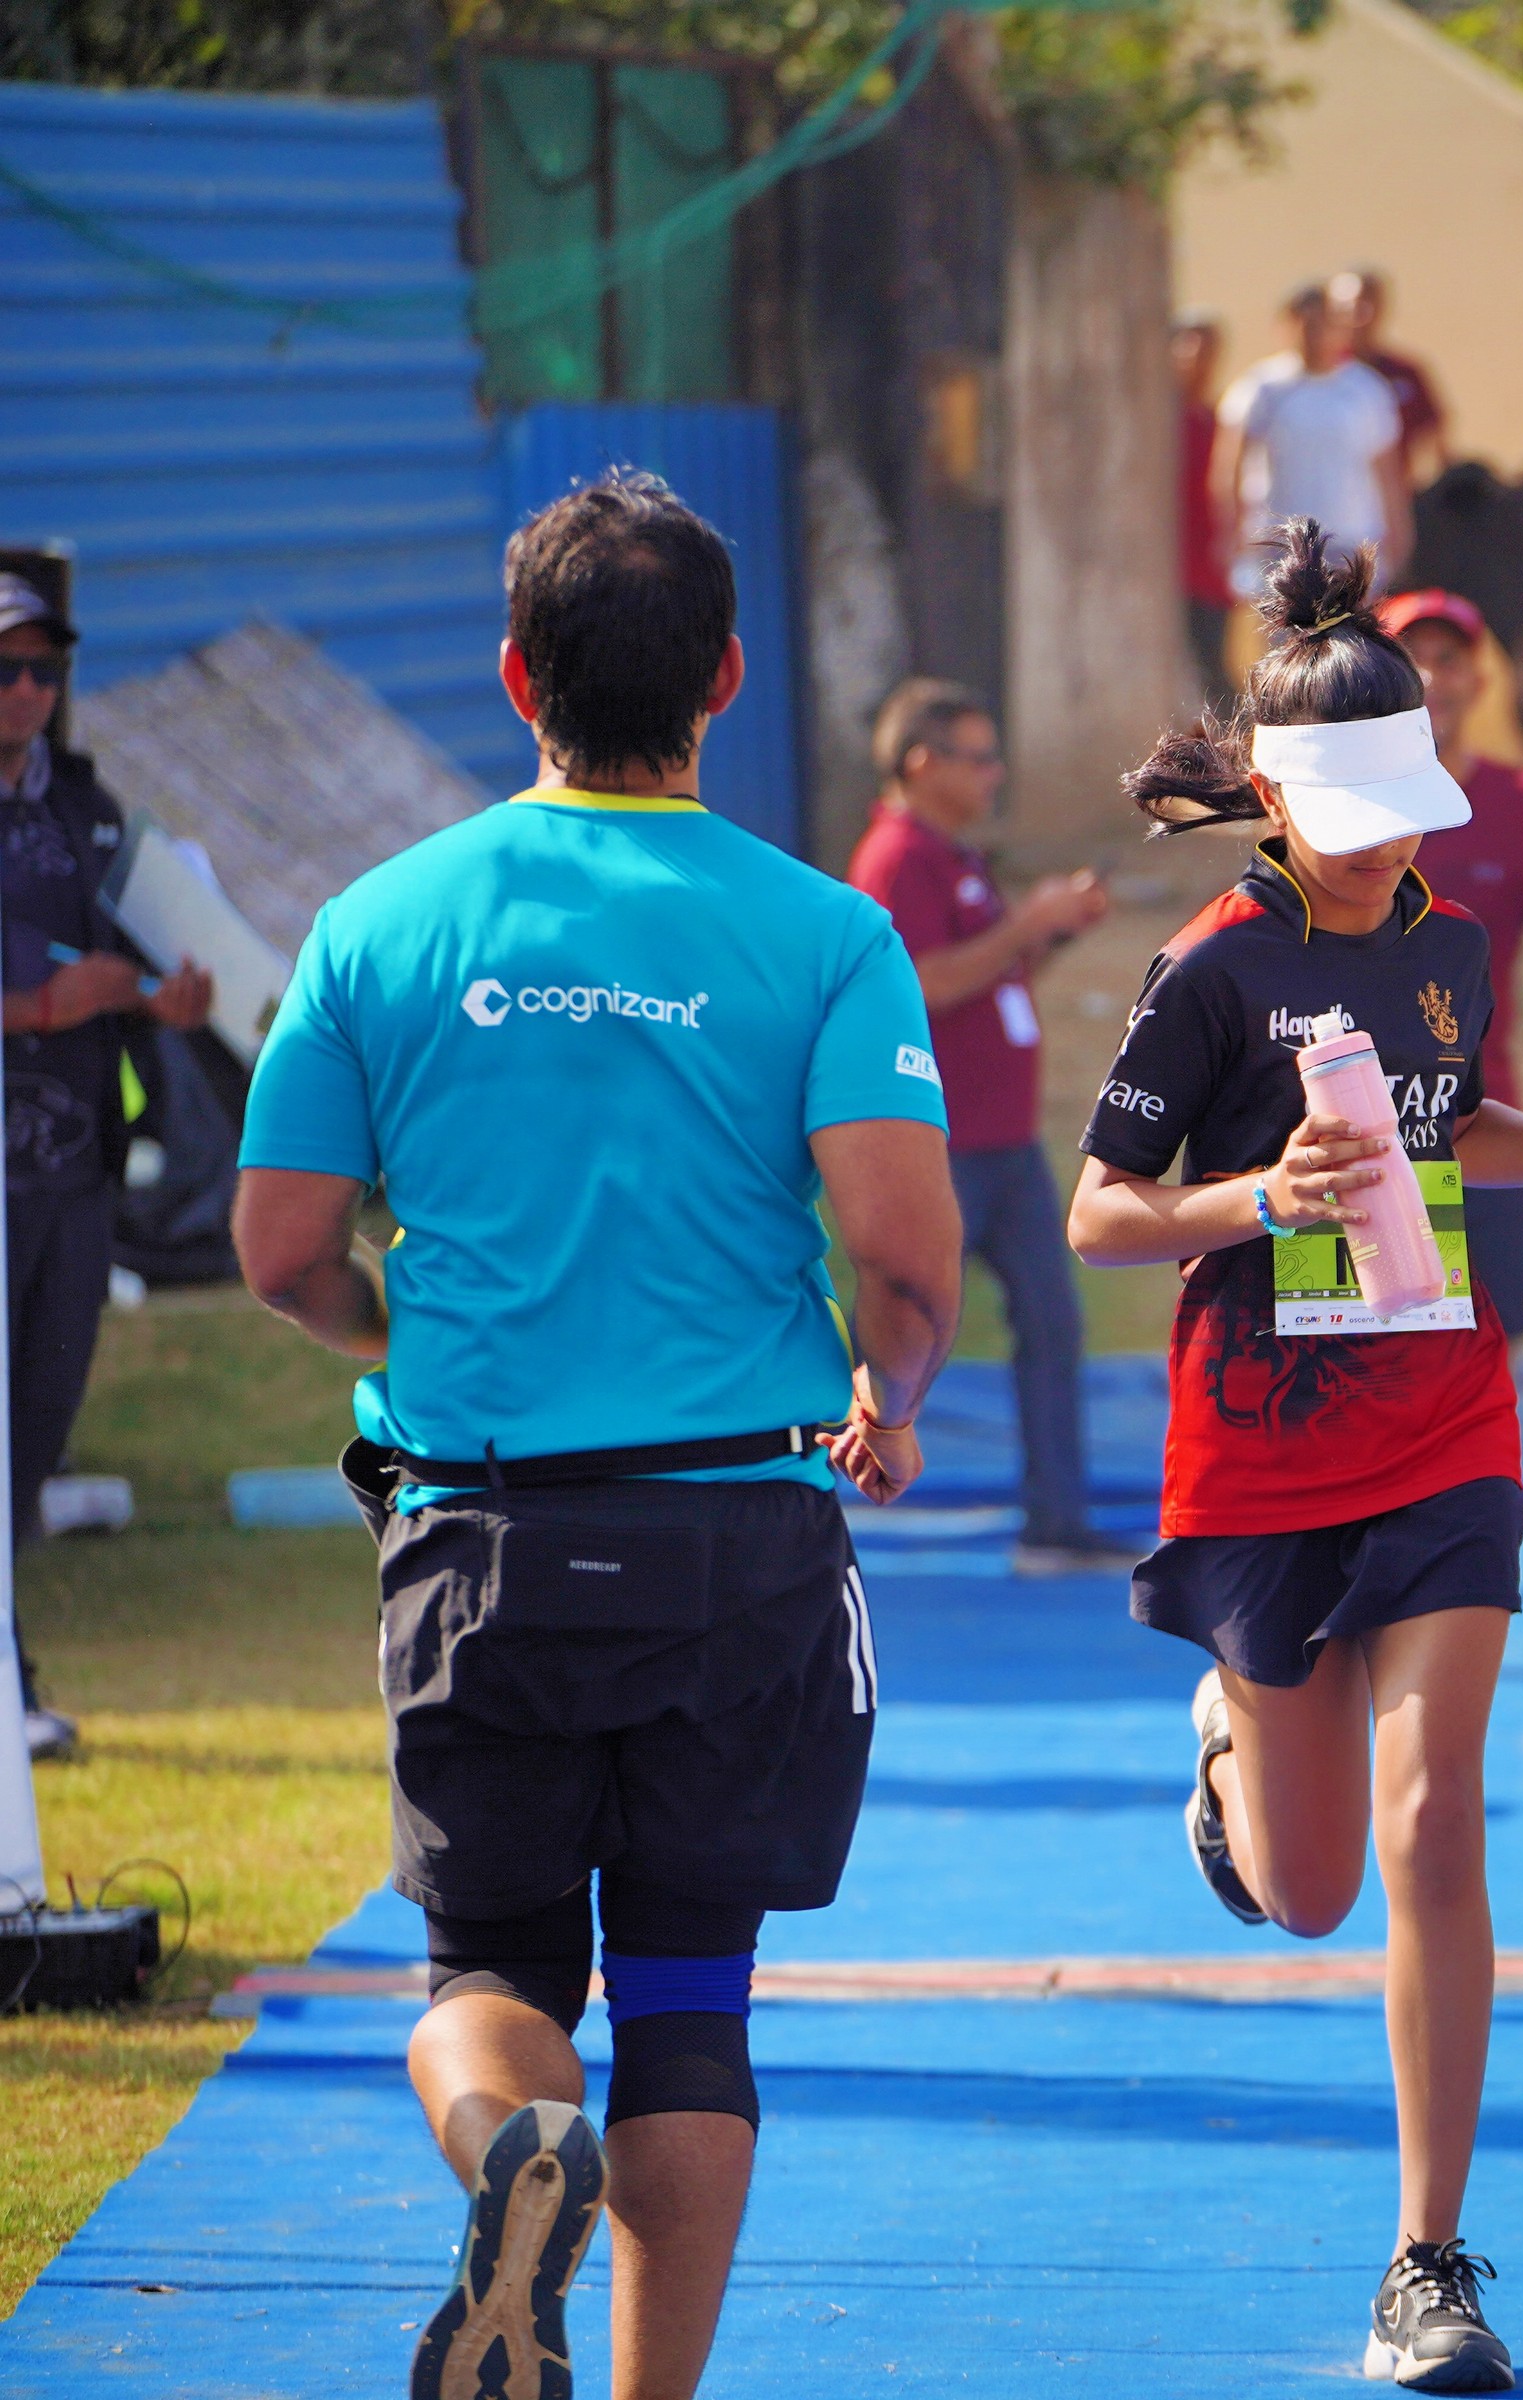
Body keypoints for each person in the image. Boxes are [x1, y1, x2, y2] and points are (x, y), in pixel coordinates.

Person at [230, 471, 965, 2400]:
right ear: (724, 677)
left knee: (488, 1976)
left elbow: (281, 1249)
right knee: (696, 2001)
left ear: (514, 675)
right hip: (739, 1536)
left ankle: (508, 2147)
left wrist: (404, 1332)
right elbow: (904, 1265)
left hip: (482, 1537)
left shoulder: (379, 923)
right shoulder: (828, 934)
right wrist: (889, 1398)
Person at [1068, 525, 1523, 2395]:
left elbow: (1449, 1120)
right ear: (1272, 798)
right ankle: (1226, 1743)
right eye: (1341, 819)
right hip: (1261, 1453)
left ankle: (1426, 2264)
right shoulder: (1208, 970)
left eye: (1399, 814)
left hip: (1442, 1418)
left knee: (1435, 1825)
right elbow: (1104, 1213)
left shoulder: (1449, 944)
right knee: (1313, 1891)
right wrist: (1259, 1198)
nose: (1377, 849)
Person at [0, 570, 217, 1763]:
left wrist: (162, 997)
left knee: (37, 1427)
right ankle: (11, 1685)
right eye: (7, 669)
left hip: (76, 1176)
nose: (29, 690)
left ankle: (8, 1676)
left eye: (46, 669)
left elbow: (134, 954)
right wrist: (36, 1006)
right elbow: (52, 984)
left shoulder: (87, 805)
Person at [846, 679, 1123, 1572]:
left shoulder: (953, 857)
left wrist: (1049, 931)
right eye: (977, 757)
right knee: (906, 1326)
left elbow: (990, 979)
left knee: (1051, 1323)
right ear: (922, 763)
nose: (994, 774)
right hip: (943, 1146)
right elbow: (919, 984)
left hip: (1005, 1143)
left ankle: (1056, 1522)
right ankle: (825, 1493)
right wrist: (1026, 923)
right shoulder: (896, 857)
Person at [1376, 588, 1523, 1337]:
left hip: (1476, 1120)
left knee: (1492, 1340)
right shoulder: (1339, 805)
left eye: (1449, 660)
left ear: (1478, 681)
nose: (1431, 678)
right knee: (1353, 1349)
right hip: (1352, 1130)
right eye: (1412, 660)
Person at [1219, 282, 1410, 604]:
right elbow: (1230, 466)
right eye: (1307, 324)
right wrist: (1232, 532)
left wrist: (1399, 534)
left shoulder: (1367, 389)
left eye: (1325, 324)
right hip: (1281, 546)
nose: (1316, 335)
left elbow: (1387, 472)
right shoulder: (1262, 388)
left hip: (1350, 543)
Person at [1333, 266, 1450, 486]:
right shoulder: (1315, 378)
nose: (1359, 315)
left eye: (1368, 304)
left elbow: (1435, 436)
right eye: (1349, 306)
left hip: (1392, 495)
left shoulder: (1405, 373)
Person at [1172, 309, 1235, 707]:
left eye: (1208, 350)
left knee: (1209, 667)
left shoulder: (1222, 423)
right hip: (1161, 571)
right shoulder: (1151, 425)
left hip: (1208, 571)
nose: (1197, 359)